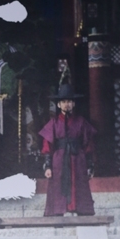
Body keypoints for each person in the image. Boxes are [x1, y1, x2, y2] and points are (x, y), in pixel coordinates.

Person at [39, 83, 96, 217]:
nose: (67, 104)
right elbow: (47, 145)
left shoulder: (81, 122)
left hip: (78, 160)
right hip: (59, 161)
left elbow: (88, 144)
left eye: (69, 101)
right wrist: (48, 166)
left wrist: (90, 165)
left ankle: (81, 211)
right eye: (64, 102)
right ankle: (57, 213)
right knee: (58, 185)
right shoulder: (53, 123)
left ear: (73, 104)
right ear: (59, 105)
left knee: (79, 184)